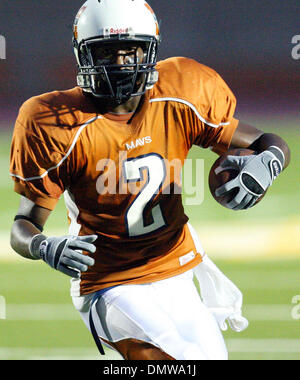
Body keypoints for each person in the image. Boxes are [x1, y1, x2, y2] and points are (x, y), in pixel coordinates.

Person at [9, 0, 290, 360]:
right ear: (84, 55)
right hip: (108, 280)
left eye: (132, 51)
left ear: (151, 50)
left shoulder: (180, 94)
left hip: (175, 263)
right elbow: (24, 225)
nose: (122, 64)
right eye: (107, 52)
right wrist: (44, 247)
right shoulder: (53, 122)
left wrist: (267, 164)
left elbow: (269, 143)